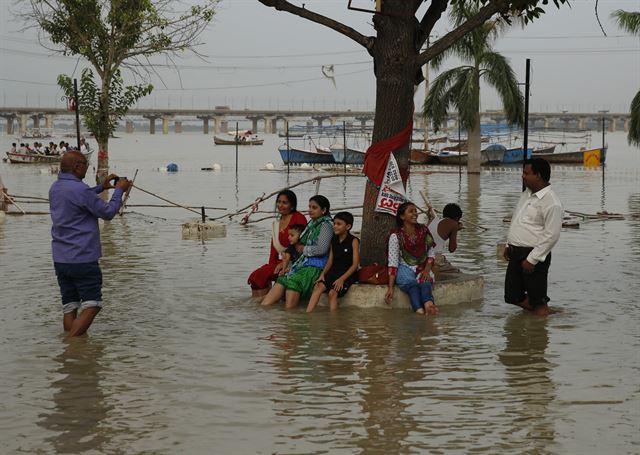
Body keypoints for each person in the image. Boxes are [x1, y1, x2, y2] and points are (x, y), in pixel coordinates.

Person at [49, 151, 132, 336]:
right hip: (82, 257)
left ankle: (72, 357)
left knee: (70, 305)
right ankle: (71, 345)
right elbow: (108, 213)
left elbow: (81, 196)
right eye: (86, 164)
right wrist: (119, 190)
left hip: (61, 259)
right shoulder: (79, 190)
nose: (87, 168)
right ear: (77, 166)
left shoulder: (56, 187)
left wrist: (101, 187)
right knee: (92, 305)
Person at [504, 158, 563, 316]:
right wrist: (507, 244)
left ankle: (540, 330)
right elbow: (516, 219)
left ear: (538, 175)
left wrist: (532, 259)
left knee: (538, 299)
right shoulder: (526, 194)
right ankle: (544, 316)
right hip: (515, 252)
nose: (523, 176)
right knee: (512, 296)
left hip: (534, 255)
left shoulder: (552, 202)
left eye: (526, 173)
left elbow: (552, 235)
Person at [261, 195, 333, 309]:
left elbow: (321, 249)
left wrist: (305, 249)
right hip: (303, 263)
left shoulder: (326, 226)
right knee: (282, 279)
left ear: (323, 210)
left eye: (314, 208)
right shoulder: (312, 224)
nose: (310, 210)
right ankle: (263, 311)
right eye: (309, 207)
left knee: (293, 282)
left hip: (315, 267)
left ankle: (290, 316)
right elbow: (297, 244)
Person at [248, 190, 307, 297]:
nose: (280, 205)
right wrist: (271, 267)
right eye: (279, 202)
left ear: (292, 205)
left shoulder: (298, 218)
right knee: (256, 277)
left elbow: (303, 244)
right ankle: (259, 309)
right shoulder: (276, 224)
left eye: (285, 203)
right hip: (279, 262)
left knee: (260, 275)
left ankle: (263, 305)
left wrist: (285, 263)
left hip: (295, 262)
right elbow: (273, 251)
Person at [385, 202, 438, 315]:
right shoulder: (396, 236)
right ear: (402, 216)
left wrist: (427, 271)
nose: (415, 214)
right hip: (405, 268)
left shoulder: (424, 231)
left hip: (423, 267)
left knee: (425, 283)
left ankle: (428, 305)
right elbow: (393, 263)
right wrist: (390, 287)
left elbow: (431, 254)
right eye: (411, 211)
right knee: (412, 286)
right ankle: (419, 311)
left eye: (415, 211)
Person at [306, 211, 360, 313]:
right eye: (334, 223)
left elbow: (355, 265)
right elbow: (330, 261)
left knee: (332, 293)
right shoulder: (333, 240)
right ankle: (308, 314)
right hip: (334, 271)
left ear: (348, 226)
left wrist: (342, 279)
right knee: (318, 287)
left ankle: (333, 322)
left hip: (347, 273)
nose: (335, 226)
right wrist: (322, 274)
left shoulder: (354, 241)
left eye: (339, 224)